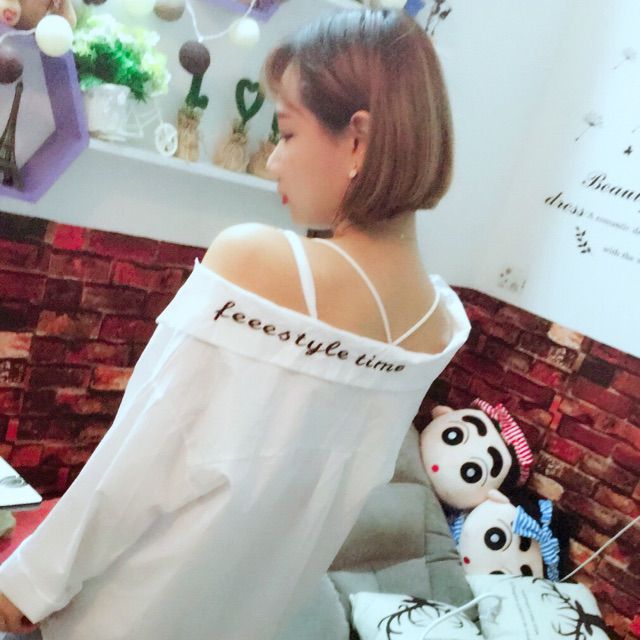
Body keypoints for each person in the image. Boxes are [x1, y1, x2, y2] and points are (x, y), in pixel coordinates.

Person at [0, 8, 470, 640]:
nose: (274, 162)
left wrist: (26, 585)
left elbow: (143, 460)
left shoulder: (259, 260)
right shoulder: (439, 325)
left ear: (357, 140)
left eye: (288, 133)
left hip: (124, 617)